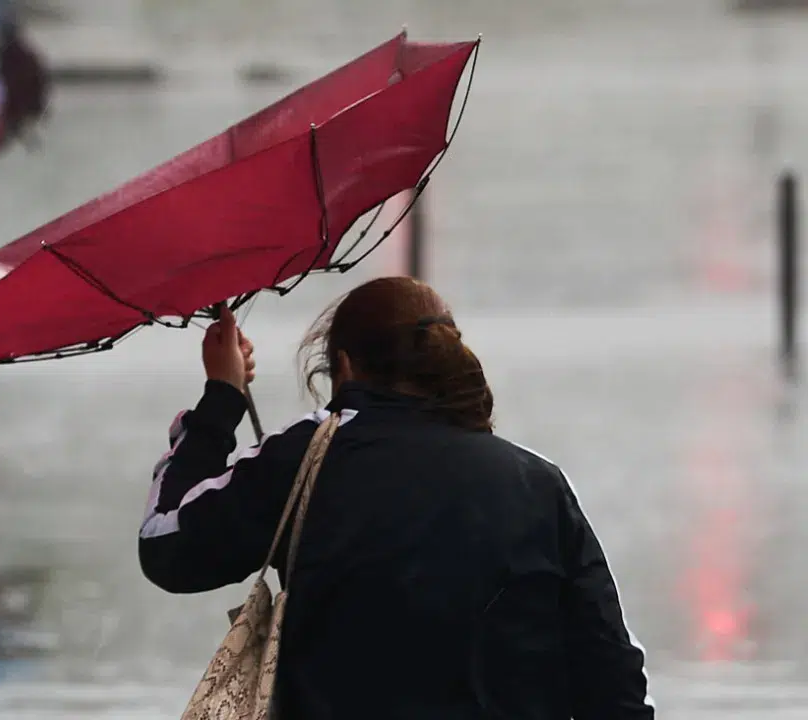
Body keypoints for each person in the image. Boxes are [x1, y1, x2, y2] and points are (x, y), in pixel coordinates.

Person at [139, 277, 655, 719]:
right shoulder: (535, 482)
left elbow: (167, 546)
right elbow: (609, 673)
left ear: (342, 365)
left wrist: (222, 397)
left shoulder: (305, 459)